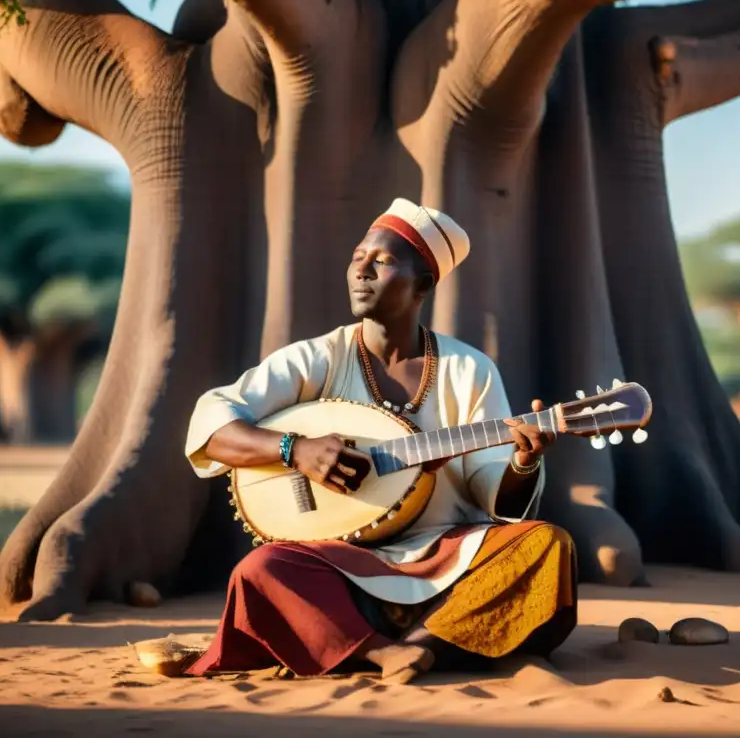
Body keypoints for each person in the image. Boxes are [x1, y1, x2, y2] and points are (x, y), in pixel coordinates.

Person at [181, 198, 577, 684]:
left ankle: (408, 646)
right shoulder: (318, 357)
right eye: (357, 258)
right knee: (261, 569)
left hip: (446, 558)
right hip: (341, 562)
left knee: (546, 545)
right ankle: (399, 650)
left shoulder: (468, 369)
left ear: (423, 285)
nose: (361, 271)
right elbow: (213, 422)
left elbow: (490, 489)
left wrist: (521, 463)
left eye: (382, 261)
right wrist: (295, 450)